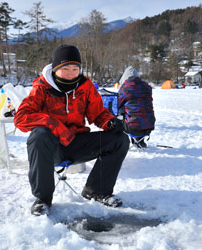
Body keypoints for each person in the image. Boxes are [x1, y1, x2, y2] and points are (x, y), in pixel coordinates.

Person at [14, 44, 130, 216]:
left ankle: (96, 191)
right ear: (55, 69)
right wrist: (52, 123)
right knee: (38, 135)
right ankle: (43, 200)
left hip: (77, 143)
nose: (71, 73)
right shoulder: (42, 88)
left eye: (75, 68)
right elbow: (21, 118)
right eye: (65, 68)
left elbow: (97, 113)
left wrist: (110, 122)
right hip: (51, 147)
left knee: (120, 140)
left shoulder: (85, 86)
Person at [118, 66, 155, 148]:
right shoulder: (147, 86)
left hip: (133, 127)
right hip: (149, 125)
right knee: (140, 112)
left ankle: (119, 144)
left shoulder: (125, 88)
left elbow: (118, 104)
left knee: (118, 117)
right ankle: (139, 141)